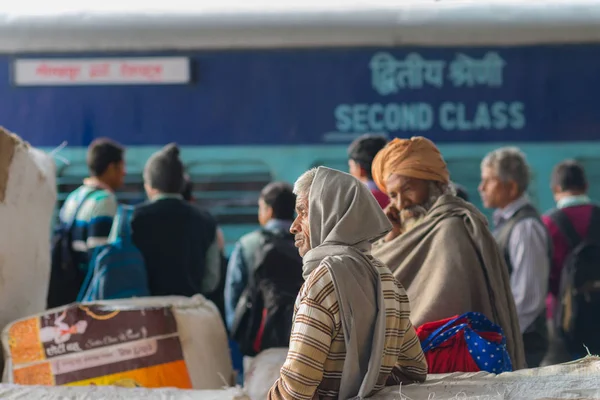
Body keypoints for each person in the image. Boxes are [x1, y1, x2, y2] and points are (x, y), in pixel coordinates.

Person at [268, 167, 427, 400]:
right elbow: (415, 370)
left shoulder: (322, 282)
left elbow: (295, 390)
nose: (294, 226)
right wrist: (368, 385)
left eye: (302, 212)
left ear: (329, 214)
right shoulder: (387, 279)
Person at [371, 136, 526, 370]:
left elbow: (443, 310)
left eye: (408, 189)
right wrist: (390, 238)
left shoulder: (451, 229)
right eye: (393, 195)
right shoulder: (398, 234)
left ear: (434, 185)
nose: (401, 203)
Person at [479, 147, 550, 368]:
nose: (481, 188)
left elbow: (528, 297)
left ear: (511, 186)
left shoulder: (525, 227)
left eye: (489, 180)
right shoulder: (505, 223)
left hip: (521, 342)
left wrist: (501, 337)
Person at [131, 143, 221, 297]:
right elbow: (211, 281)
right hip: (188, 313)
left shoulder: (133, 219)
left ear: (149, 185)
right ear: (182, 184)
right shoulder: (206, 221)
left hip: (145, 311)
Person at [542, 160, 600, 360]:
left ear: (555, 189)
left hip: (563, 315)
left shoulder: (548, 223)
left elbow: (545, 275)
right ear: (585, 186)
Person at [224, 181, 297, 330]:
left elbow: (233, 294)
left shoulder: (246, 244)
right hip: (300, 335)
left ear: (269, 211)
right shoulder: (306, 244)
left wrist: (238, 332)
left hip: (257, 337)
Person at [59, 138, 125, 268]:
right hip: (87, 284)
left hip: (70, 281)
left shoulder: (73, 196)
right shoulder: (105, 200)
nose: (124, 172)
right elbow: (100, 257)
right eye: (122, 166)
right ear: (111, 168)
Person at [348, 133, 390, 208]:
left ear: (360, 169)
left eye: (351, 166)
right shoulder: (398, 198)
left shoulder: (354, 201)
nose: (350, 171)